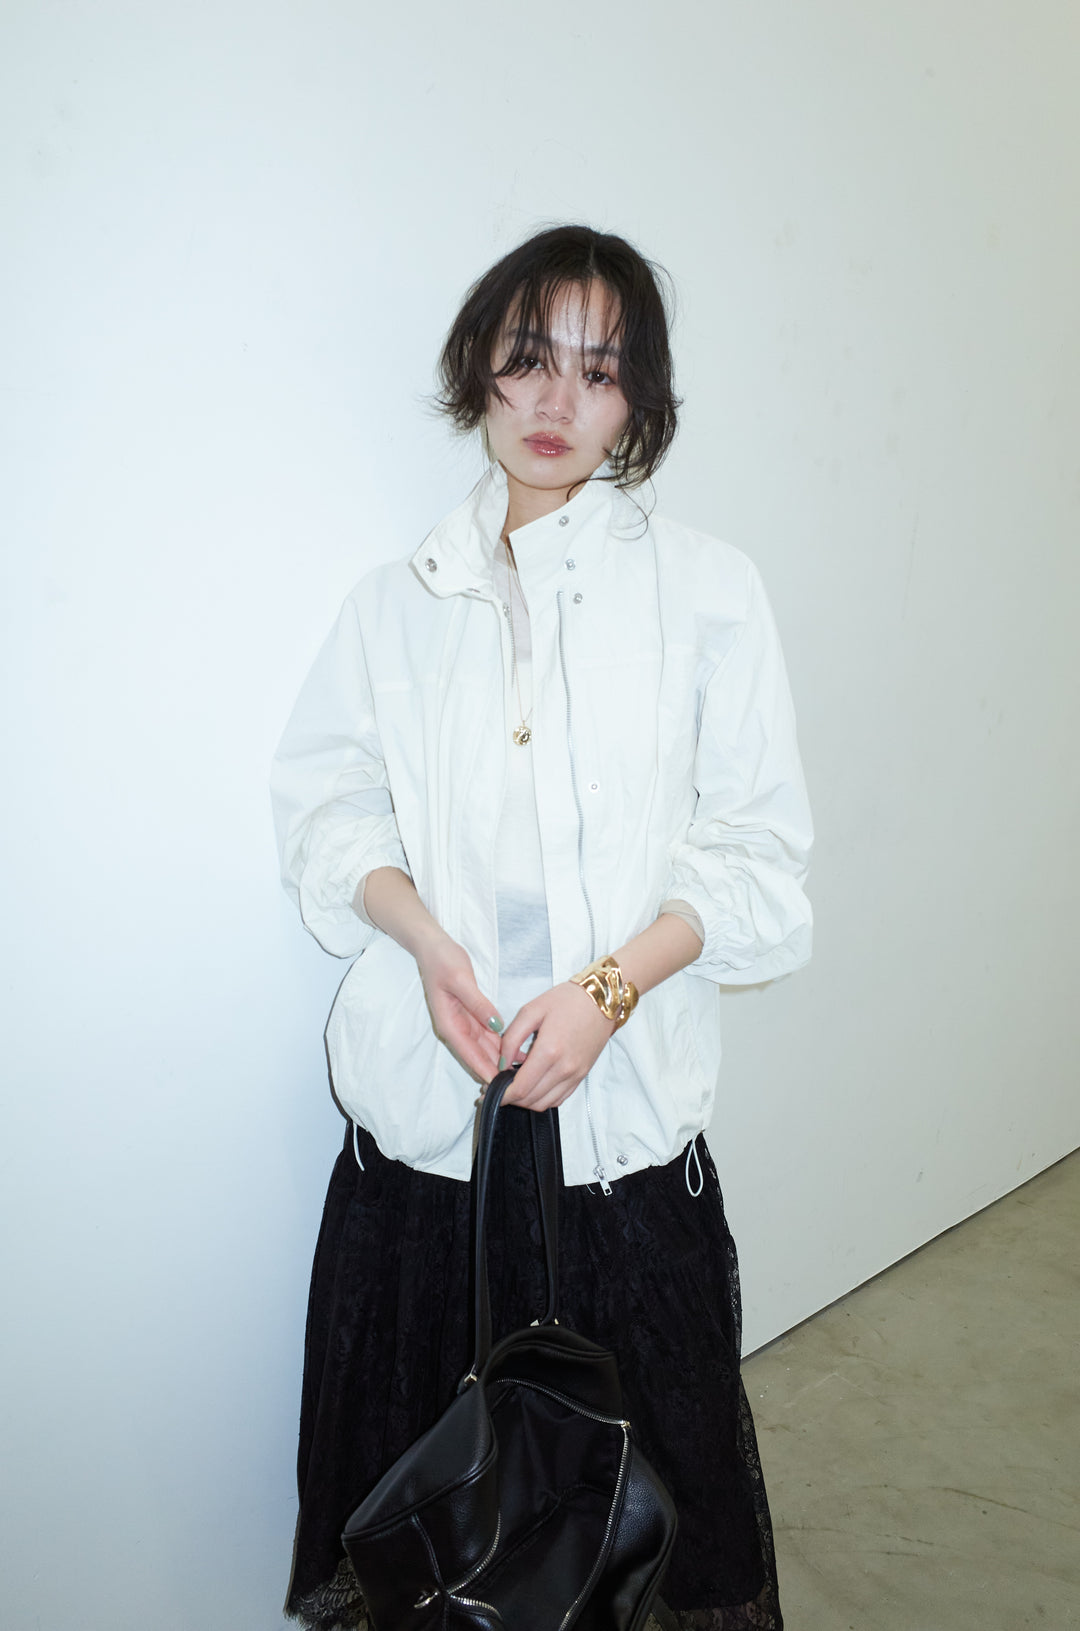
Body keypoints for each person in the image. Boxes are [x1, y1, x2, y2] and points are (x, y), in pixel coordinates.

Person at [272, 224, 812, 1631]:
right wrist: (424, 941)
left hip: (620, 1156)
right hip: (425, 1156)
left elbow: (761, 864)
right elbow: (329, 814)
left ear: (641, 403)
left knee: (651, 1548)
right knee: (432, 1553)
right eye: (528, 359)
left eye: (600, 370)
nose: (558, 401)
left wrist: (607, 992)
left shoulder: (708, 593)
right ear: (480, 369)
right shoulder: (394, 606)